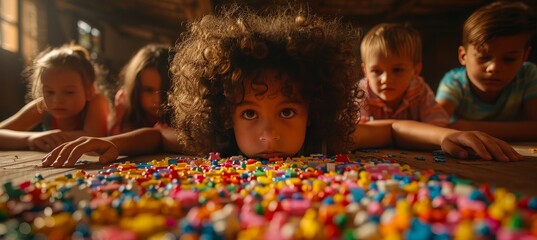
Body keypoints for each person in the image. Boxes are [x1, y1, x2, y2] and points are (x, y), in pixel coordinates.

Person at [42, 6, 521, 168]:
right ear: (224, 112)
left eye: (286, 112)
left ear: (314, 107)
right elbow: (154, 136)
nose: (268, 134)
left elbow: (393, 129)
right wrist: (111, 141)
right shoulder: (218, 141)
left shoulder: (324, 137)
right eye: (250, 112)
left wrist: (444, 135)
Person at [436, 1, 537, 141]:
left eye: (509, 59)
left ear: (524, 56)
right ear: (463, 55)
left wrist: (465, 126)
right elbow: (436, 125)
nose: (493, 68)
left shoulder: (528, 75)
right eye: (484, 57)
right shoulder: (454, 82)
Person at [0, 44, 109, 151]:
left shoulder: (97, 101)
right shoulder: (42, 106)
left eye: (69, 92)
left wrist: (48, 139)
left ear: (89, 92)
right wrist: (29, 139)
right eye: (50, 92)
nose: (57, 100)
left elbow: (94, 137)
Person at [359, 23, 449, 126]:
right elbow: (357, 130)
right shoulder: (361, 93)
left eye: (397, 70)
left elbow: (439, 122)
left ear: (415, 71)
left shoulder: (418, 90)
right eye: (377, 71)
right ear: (365, 71)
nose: (386, 79)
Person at [109, 44, 173, 135]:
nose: (157, 99)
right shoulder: (124, 103)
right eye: (149, 90)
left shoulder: (184, 115)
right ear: (135, 88)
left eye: (165, 90)